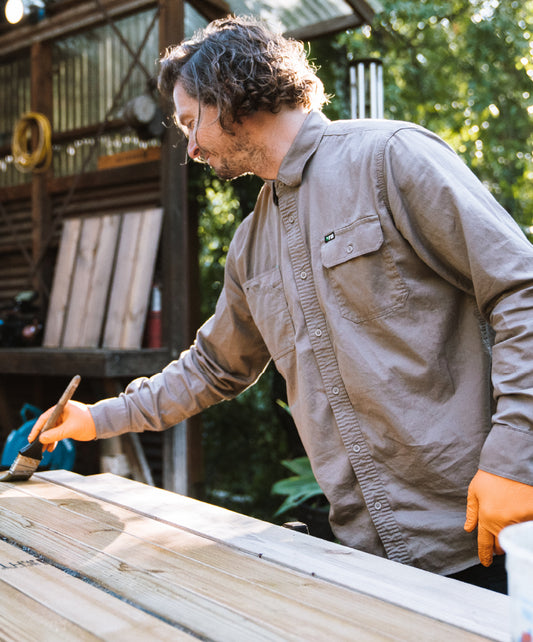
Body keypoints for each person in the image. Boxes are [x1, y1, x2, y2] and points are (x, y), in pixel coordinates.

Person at [30, 15, 533, 592]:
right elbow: (213, 366)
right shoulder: (251, 244)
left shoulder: (390, 158)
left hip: (492, 531)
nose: (189, 147)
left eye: (192, 122)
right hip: (368, 558)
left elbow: (521, 290)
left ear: (230, 94)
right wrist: (95, 419)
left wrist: (514, 458)